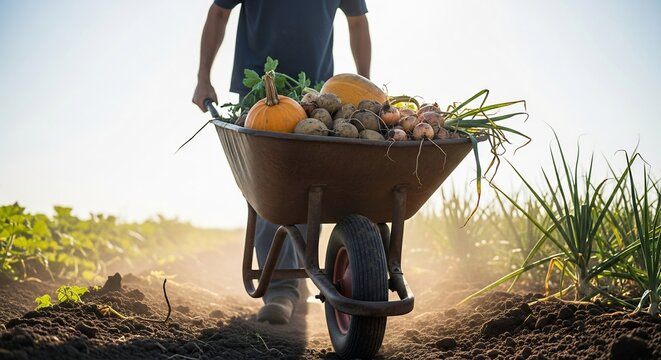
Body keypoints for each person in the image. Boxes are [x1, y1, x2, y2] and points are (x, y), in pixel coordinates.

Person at [192, 0, 372, 325]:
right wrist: (203, 78)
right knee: (270, 185)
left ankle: (297, 276)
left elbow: (358, 23)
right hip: (259, 92)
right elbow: (219, 12)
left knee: (310, 186)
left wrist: (365, 87)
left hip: (318, 95)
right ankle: (281, 288)